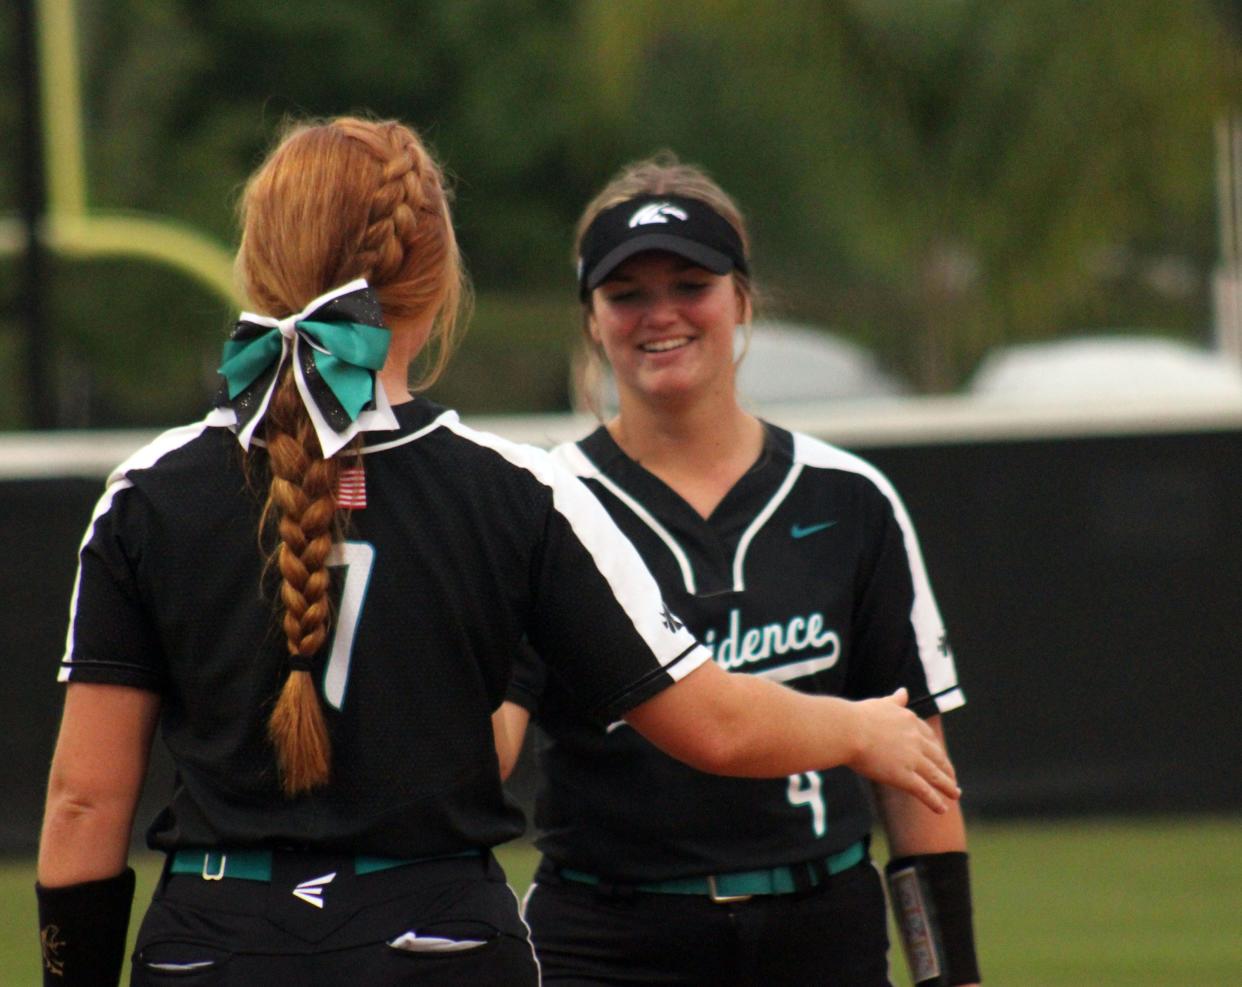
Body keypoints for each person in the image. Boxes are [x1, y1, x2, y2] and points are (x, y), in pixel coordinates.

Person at [35, 120, 958, 987]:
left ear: (256, 265)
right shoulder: (522, 490)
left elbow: (83, 805)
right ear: (437, 282)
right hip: (437, 938)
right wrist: (860, 728)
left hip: (211, 941)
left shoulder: (147, 491)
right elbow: (710, 724)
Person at [499, 154, 981, 986]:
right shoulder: (544, 505)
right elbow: (489, 743)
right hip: (611, 936)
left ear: (743, 299)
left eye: (691, 283)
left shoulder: (850, 497)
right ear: (591, 320)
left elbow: (917, 773)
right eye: (627, 294)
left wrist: (952, 974)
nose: (661, 315)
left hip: (819, 924)